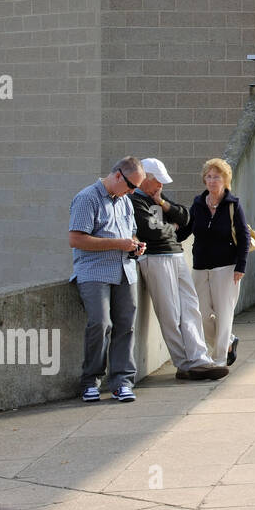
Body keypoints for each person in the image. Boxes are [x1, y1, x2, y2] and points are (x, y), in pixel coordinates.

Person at [132, 157, 228, 382]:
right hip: (155, 258)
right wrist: (170, 227)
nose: (161, 187)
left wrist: (164, 205)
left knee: (191, 308)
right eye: (157, 182)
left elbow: (185, 218)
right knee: (170, 312)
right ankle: (185, 364)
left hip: (175, 255)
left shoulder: (157, 197)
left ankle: (199, 359)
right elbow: (151, 232)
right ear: (145, 179)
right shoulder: (135, 201)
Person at [68, 157, 147, 403]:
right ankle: (90, 381)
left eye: (136, 188)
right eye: (132, 186)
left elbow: (130, 231)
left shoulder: (125, 201)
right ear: (117, 176)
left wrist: (134, 245)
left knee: (126, 325)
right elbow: (77, 239)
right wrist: (118, 243)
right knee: (100, 323)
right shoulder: (87, 198)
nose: (133, 191)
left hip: (125, 269)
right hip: (94, 272)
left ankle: (122, 382)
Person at [183, 158, 250, 367]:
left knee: (224, 314)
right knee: (201, 314)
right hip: (201, 267)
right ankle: (229, 341)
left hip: (227, 267)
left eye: (217, 176)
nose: (212, 181)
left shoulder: (232, 205)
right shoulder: (197, 204)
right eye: (209, 176)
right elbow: (185, 230)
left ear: (225, 180)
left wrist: (241, 266)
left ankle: (219, 359)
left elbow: (244, 236)